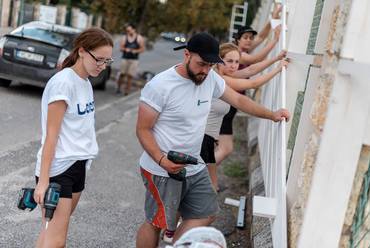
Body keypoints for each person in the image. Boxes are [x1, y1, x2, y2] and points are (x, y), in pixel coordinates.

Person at [135, 32, 290, 248]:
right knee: (156, 222)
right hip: (161, 169)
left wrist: (271, 114)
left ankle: (178, 245)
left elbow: (237, 98)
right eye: (201, 64)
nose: (206, 70)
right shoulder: (160, 86)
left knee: (207, 212)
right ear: (186, 55)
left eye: (210, 65)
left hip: (194, 164)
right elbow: (143, 129)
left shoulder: (211, 78)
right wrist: (162, 160)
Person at [33, 28, 113, 247]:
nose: (103, 66)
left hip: (78, 164)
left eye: (107, 61)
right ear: (82, 52)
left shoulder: (85, 82)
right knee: (57, 241)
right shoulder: (63, 83)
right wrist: (44, 181)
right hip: (58, 168)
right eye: (99, 59)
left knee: (50, 235)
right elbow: (51, 135)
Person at [201, 43, 288, 191]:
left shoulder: (223, 74)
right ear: (218, 60)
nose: (234, 66)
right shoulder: (220, 79)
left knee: (204, 185)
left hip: (208, 140)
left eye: (237, 62)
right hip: (203, 139)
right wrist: (278, 69)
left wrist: (276, 59)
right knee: (206, 186)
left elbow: (251, 70)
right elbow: (252, 83)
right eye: (229, 61)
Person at [215, 5, 284, 175]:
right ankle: (198, 176)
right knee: (222, 148)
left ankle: (207, 181)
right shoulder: (235, 57)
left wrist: (273, 18)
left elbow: (249, 69)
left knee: (216, 149)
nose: (249, 40)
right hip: (225, 106)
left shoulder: (236, 57)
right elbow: (253, 68)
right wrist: (276, 51)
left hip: (227, 107)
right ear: (237, 39)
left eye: (249, 38)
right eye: (245, 37)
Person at [116, 23, 145, 95]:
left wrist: (135, 51)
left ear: (134, 30)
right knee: (122, 74)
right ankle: (118, 88)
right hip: (125, 58)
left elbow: (142, 49)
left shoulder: (139, 38)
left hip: (134, 60)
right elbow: (121, 48)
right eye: (127, 31)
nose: (128, 32)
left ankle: (127, 91)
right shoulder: (124, 38)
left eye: (129, 30)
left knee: (130, 76)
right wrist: (125, 49)